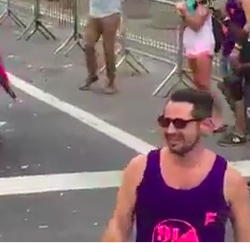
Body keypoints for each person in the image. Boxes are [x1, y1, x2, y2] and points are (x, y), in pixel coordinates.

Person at [102, 88, 250, 242]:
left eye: (180, 123)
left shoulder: (229, 181)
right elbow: (118, 227)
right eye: (165, 122)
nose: (170, 130)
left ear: (205, 125)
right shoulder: (140, 169)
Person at [175, 0, 225, 133]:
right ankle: (204, 117)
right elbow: (187, 23)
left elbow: (196, 23)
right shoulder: (189, 1)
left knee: (204, 85)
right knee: (197, 84)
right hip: (190, 45)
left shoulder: (205, 1)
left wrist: (183, 12)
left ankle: (218, 118)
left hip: (203, 45)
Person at [74, 0, 123, 94]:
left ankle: (111, 81)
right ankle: (92, 75)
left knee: (108, 49)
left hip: (110, 13)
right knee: (88, 45)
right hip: (94, 13)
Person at [217, 0, 250, 146]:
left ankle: (240, 131)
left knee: (236, 90)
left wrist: (237, 49)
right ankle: (242, 125)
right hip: (230, 45)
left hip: (239, 49)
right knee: (230, 86)